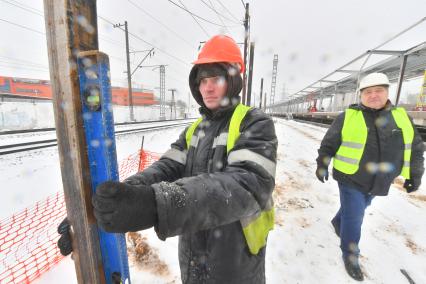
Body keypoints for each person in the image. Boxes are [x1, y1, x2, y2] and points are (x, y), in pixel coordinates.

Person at [58, 34, 278, 284]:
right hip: (194, 263)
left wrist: (156, 204)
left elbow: (245, 186)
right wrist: (103, 203)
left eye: (215, 78)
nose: (207, 87)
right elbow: (164, 169)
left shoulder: (255, 123)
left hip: (236, 267)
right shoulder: (195, 131)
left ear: (234, 79)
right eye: (202, 79)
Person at [315, 72, 424, 281]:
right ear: (361, 96)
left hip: (381, 180)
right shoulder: (348, 116)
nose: (373, 95)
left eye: (378, 91)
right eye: (368, 92)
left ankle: (338, 222)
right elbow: (329, 143)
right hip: (350, 177)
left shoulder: (401, 117)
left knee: (359, 208)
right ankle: (350, 254)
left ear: (387, 93)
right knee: (355, 216)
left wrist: (415, 175)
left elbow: (416, 148)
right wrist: (322, 164)